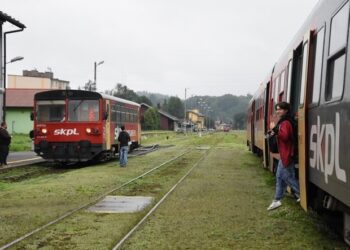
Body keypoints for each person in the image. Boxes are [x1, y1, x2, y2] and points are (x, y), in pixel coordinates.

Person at [267, 102, 300, 211]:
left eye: (280, 109)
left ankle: (301, 193)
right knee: (280, 176)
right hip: (285, 153)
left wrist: (275, 129)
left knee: (285, 176)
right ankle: (277, 200)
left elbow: (285, 137)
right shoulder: (286, 120)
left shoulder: (285, 122)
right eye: (277, 109)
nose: (278, 111)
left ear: (286, 110)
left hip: (287, 154)